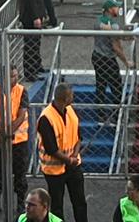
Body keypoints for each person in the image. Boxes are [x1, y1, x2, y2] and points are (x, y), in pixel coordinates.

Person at [37, 83, 88, 222]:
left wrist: (74, 155)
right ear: (64, 99)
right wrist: (69, 160)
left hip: (73, 165)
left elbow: (78, 137)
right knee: (57, 207)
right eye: (71, 95)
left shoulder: (70, 111)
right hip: (54, 170)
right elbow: (51, 149)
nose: (73, 97)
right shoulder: (46, 118)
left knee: (80, 202)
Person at [0, 65, 30, 219]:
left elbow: (22, 114)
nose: (15, 78)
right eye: (12, 76)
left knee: (20, 174)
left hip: (18, 141)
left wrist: (9, 132)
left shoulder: (21, 91)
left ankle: (20, 204)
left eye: (16, 75)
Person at [93, 0, 129, 109]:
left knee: (100, 86)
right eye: (116, 7)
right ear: (110, 9)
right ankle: (117, 114)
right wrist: (126, 62)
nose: (118, 9)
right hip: (108, 58)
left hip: (96, 55)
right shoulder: (114, 25)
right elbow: (117, 47)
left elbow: (100, 26)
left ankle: (100, 115)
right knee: (116, 87)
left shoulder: (98, 20)